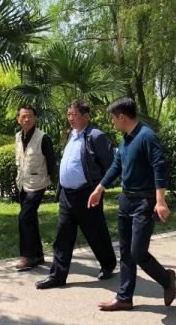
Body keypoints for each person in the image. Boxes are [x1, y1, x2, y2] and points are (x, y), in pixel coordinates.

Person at [87, 96, 176, 311]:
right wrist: (99, 189)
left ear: (122, 117)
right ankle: (124, 298)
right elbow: (116, 166)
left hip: (144, 201)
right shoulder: (126, 139)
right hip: (126, 200)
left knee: (138, 252)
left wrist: (160, 200)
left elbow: (159, 166)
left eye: (113, 118)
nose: (112, 123)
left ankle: (167, 279)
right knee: (126, 252)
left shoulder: (147, 136)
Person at [35, 100, 117, 289]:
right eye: (68, 114)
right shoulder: (70, 134)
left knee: (95, 233)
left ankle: (108, 264)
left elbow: (111, 164)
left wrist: (99, 188)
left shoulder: (96, 136)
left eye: (74, 115)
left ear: (85, 116)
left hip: (87, 193)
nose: (70, 118)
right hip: (67, 195)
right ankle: (57, 276)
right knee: (62, 236)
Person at [14, 105, 56, 271]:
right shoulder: (18, 137)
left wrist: (52, 182)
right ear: (18, 119)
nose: (27, 119)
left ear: (35, 118)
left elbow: (51, 162)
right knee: (30, 218)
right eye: (23, 116)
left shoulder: (43, 138)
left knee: (24, 218)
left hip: (38, 184)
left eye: (30, 116)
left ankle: (28, 256)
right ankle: (38, 255)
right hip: (23, 184)